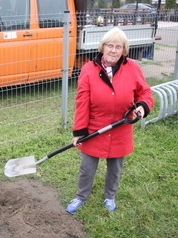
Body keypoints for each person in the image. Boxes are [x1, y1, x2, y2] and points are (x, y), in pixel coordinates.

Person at [65, 27, 154, 214]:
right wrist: (79, 131)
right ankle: (81, 196)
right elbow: (82, 102)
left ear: (124, 50)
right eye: (109, 45)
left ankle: (110, 196)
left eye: (118, 46)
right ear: (102, 47)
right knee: (87, 168)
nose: (113, 50)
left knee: (115, 168)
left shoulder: (132, 68)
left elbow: (144, 92)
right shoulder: (89, 70)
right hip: (94, 127)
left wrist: (142, 106)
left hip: (121, 126)